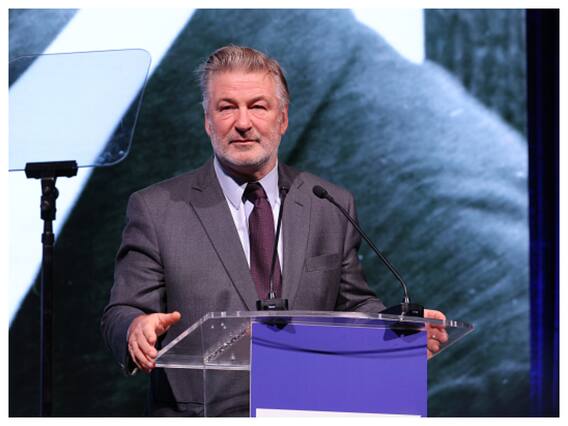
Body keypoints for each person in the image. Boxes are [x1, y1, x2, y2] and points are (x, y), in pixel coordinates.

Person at [101, 45, 447, 416]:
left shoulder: (328, 203)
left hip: (311, 409)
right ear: (207, 121)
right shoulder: (157, 209)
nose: (243, 122)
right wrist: (135, 328)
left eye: (258, 106)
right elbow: (121, 312)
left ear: (282, 119)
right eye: (227, 107)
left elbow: (354, 305)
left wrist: (396, 331)